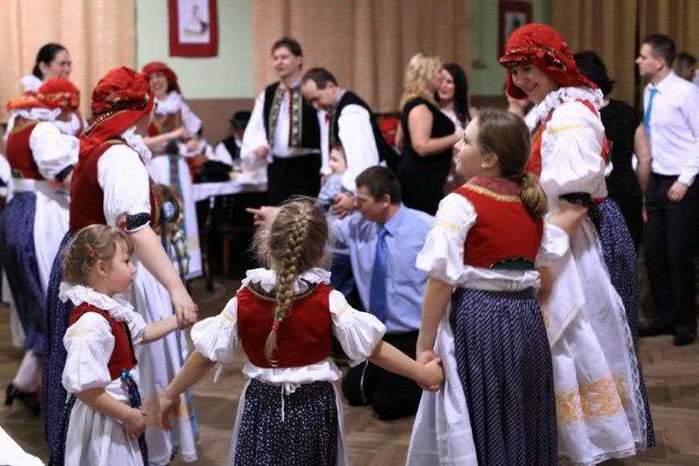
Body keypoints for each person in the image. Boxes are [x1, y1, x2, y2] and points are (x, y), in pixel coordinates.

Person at [158, 197, 443, 466]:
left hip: (260, 406)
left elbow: (204, 356)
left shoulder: (242, 300)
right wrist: (422, 373)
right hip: (314, 408)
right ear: (321, 253)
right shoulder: (328, 300)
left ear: (267, 244)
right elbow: (375, 349)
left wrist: (170, 394)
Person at [500, 23, 654, 464]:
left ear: (551, 65)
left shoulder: (570, 116)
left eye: (528, 68)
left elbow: (574, 203)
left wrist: (539, 258)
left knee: (579, 336)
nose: (522, 79)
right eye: (516, 70)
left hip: (576, 238)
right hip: (561, 231)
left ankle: (588, 443)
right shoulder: (552, 111)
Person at [43, 67, 199, 465]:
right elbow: (135, 227)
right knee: (119, 363)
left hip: (92, 261)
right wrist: (175, 287)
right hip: (110, 268)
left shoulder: (101, 146)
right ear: (142, 109)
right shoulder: (118, 156)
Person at [408, 109, 563, 465]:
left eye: (466, 141)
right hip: (526, 319)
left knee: (486, 408)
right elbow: (545, 276)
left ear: (489, 158)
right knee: (522, 410)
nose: (457, 146)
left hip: (479, 320)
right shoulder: (532, 202)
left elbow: (440, 280)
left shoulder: (460, 203)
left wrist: (424, 345)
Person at [59, 225, 189, 466]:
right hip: (103, 420)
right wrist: (128, 415)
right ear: (101, 268)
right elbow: (86, 389)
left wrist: (178, 320)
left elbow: (143, 332)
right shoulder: (90, 322)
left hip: (118, 412)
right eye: (127, 261)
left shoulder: (112, 309)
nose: (133, 268)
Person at [1, 78, 80, 415]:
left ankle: (26, 382)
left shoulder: (18, 125)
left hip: (17, 211)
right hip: (41, 215)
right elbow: (65, 176)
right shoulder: (44, 131)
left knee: (35, 301)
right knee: (52, 298)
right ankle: (50, 389)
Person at [331, 166, 434, 420]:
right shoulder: (358, 225)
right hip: (378, 333)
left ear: (385, 200)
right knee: (354, 391)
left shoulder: (425, 227)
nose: (356, 205)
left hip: (413, 334)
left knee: (387, 406)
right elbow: (321, 228)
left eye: (362, 200)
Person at [636, 34, 699, 346]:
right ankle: (664, 316)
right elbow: (649, 136)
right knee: (654, 252)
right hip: (656, 181)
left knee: (678, 254)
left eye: (643, 56)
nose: (638, 60)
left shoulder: (686, 92)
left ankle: (685, 321)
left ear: (659, 61)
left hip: (682, 181)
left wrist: (684, 180)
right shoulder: (649, 91)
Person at [574, 51, 652, 250]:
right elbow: (645, 158)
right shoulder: (627, 112)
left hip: (585, 196)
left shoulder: (573, 115)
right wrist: (642, 193)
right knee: (625, 257)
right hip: (625, 192)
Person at [301, 67, 398, 217]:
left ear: (331, 87)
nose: (315, 106)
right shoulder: (333, 110)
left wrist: (354, 198)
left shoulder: (351, 113)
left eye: (316, 99)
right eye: (310, 102)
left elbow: (363, 161)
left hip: (369, 191)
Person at [241, 37, 323, 205]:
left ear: (298, 60)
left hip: (306, 166)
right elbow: (256, 126)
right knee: (278, 214)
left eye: (284, 57)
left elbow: (324, 124)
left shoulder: (311, 90)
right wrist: (259, 145)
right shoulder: (269, 93)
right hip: (278, 168)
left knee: (302, 215)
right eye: (275, 58)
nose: (279, 62)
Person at [141, 61, 203, 280]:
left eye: (160, 76)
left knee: (184, 214)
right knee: (160, 212)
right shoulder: (147, 106)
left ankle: (187, 263)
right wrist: (173, 135)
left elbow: (193, 132)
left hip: (178, 165)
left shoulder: (179, 104)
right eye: (151, 78)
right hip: (155, 166)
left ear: (168, 79)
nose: (156, 81)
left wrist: (193, 142)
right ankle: (162, 267)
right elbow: (142, 141)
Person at [397, 53, 463, 215]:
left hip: (421, 175)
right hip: (422, 179)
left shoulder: (412, 102)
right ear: (428, 74)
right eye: (439, 71)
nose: (442, 76)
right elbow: (421, 146)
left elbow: (399, 141)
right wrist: (457, 136)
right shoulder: (420, 106)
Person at [8, 43, 83, 139]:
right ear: (43, 67)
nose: (68, 69)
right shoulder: (28, 105)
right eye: (62, 64)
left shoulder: (70, 98)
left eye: (69, 64)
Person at [436, 63, 473, 194]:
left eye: (449, 82)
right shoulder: (429, 113)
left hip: (462, 173)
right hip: (437, 171)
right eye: (440, 81)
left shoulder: (469, 115)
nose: (443, 86)